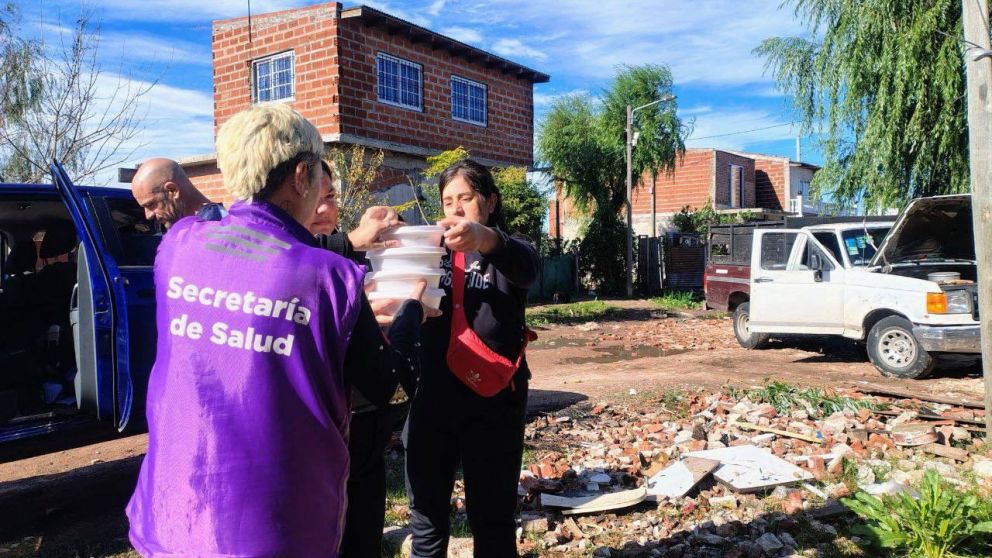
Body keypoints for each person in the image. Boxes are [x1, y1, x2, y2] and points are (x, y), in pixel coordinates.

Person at [126, 104, 427, 557]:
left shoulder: (178, 246)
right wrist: (410, 317)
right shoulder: (331, 278)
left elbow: (253, 271)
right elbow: (385, 383)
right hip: (276, 530)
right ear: (303, 175)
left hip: (172, 517)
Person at [405, 159, 540, 557]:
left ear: (491, 201)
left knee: (493, 521)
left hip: (494, 402)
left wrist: (485, 239)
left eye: (466, 198)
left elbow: (529, 267)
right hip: (431, 401)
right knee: (426, 521)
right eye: (448, 202)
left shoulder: (508, 250)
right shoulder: (430, 250)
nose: (457, 210)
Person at [307, 160, 414, 557]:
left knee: (363, 532)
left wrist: (395, 224)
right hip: (317, 439)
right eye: (312, 199)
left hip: (366, 427)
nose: (322, 209)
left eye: (330, 198)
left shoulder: (357, 258)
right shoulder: (290, 266)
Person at [131, 158, 226, 228]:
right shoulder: (184, 229)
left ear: (172, 190)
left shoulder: (218, 232)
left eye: (151, 204)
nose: (148, 216)